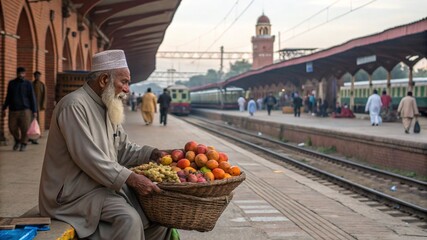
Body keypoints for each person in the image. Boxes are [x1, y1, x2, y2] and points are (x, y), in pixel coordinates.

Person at [38, 50, 172, 240]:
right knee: (129, 219)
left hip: (101, 187)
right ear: (103, 80)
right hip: (73, 196)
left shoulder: (108, 105)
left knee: (159, 219)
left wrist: (153, 153)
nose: (127, 89)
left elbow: (123, 149)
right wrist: (132, 178)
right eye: (124, 82)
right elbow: (88, 157)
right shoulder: (74, 105)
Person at [1, 67, 37, 151]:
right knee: (12, 127)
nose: (21, 75)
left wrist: (34, 110)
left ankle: (23, 143)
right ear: (17, 73)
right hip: (13, 109)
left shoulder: (28, 84)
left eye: (23, 73)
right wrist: (4, 107)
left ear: (25, 74)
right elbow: (8, 96)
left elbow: (32, 97)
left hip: (25, 110)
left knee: (25, 128)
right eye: (20, 73)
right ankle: (17, 140)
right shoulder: (12, 83)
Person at [30, 71, 46, 144]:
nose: (37, 77)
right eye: (36, 76)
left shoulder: (42, 85)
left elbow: (44, 96)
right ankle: (30, 137)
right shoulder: (31, 84)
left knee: (37, 122)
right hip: (30, 107)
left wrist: (43, 105)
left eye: (38, 76)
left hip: (38, 106)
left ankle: (35, 138)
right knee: (29, 122)